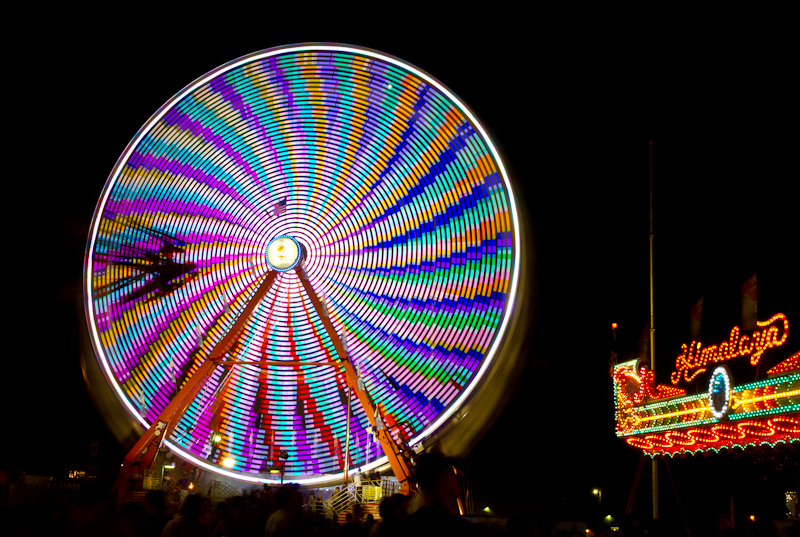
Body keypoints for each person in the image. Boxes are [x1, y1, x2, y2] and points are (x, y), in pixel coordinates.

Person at [400, 453, 475, 537]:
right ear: (441, 481)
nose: (458, 478)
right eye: (453, 473)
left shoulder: (406, 527)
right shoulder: (461, 530)